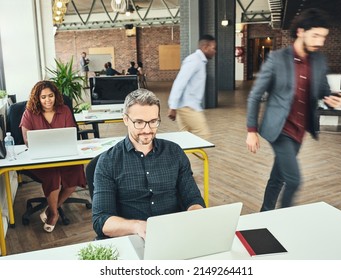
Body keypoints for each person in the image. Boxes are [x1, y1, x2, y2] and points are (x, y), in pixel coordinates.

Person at [246, 8, 341, 212]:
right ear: (301, 31)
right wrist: (251, 131)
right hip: (279, 129)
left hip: (299, 130)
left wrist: (332, 100)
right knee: (294, 180)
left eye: (323, 37)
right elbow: (255, 95)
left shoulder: (319, 60)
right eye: (315, 35)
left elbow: (323, 91)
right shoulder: (277, 59)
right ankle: (285, 219)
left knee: (280, 176)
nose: (320, 42)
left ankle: (264, 213)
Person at [92, 88, 205, 239]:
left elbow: (193, 199)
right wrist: (136, 226)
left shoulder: (175, 152)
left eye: (153, 122)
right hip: (131, 237)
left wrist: (195, 214)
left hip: (174, 234)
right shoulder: (108, 162)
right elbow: (101, 221)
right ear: (125, 119)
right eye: (139, 122)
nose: (147, 130)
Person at [20, 80, 86, 232]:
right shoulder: (29, 112)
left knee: (76, 171)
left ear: (55, 96)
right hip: (40, 159)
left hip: (63, 155)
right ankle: (54, 214)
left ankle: (51, 209)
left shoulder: (64, 110)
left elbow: (70, 134)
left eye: (50, 96)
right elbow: (27, 140)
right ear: (37, 98)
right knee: (53, 174)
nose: (47, 100)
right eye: (43, 97)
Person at [167, 34, 217, 139]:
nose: (215, 51)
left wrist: (175, 106)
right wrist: (173, 106)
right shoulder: (194, 60)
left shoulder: (200, 61)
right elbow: (180, 82)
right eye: (213, 48)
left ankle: (182, 156)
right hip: (188, 107)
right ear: (205, 47)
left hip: (184, 106)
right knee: (204, 135)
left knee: (186, 139)